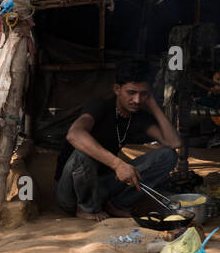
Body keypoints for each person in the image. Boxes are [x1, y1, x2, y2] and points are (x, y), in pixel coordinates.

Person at [55, 59, 182, 221]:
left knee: (168, 155)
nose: (137, 100)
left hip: (103, 185)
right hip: (71, 191)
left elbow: (174, 143)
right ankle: (87, 208)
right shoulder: (99, 106)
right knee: (83, 153)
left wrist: (152, 104)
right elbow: (74, 134)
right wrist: (118, 164)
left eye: (143, 94)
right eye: (131, 92)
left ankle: (114, 203)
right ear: (117, 89)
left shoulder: (138, 116)